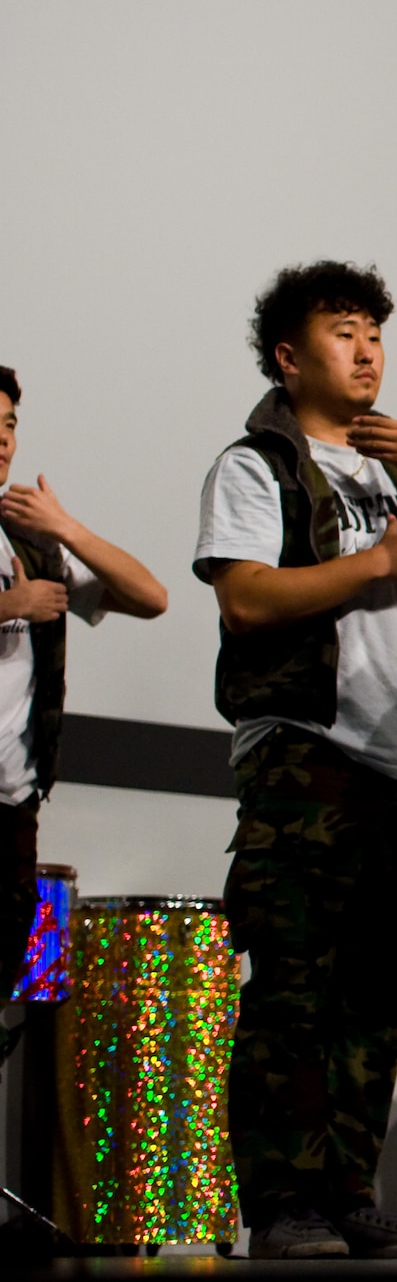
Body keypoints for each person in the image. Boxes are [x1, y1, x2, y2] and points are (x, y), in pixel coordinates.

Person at [194, 262, 397, 1260]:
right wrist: (377, 563)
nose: (367, 350)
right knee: (292, 992)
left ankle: (346, 1192)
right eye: (343, 333)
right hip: (305, 758)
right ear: (289, 357)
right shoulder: (258, 464)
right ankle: (283, 1203)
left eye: (375, 333)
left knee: (377, 996)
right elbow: (246, 599)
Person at [0, 364, 169, 1005]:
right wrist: (9, 605)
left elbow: (150, 597)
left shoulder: (28, 543)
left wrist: (67, 528)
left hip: (12, 807)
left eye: (10, 425)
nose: (4, 439)